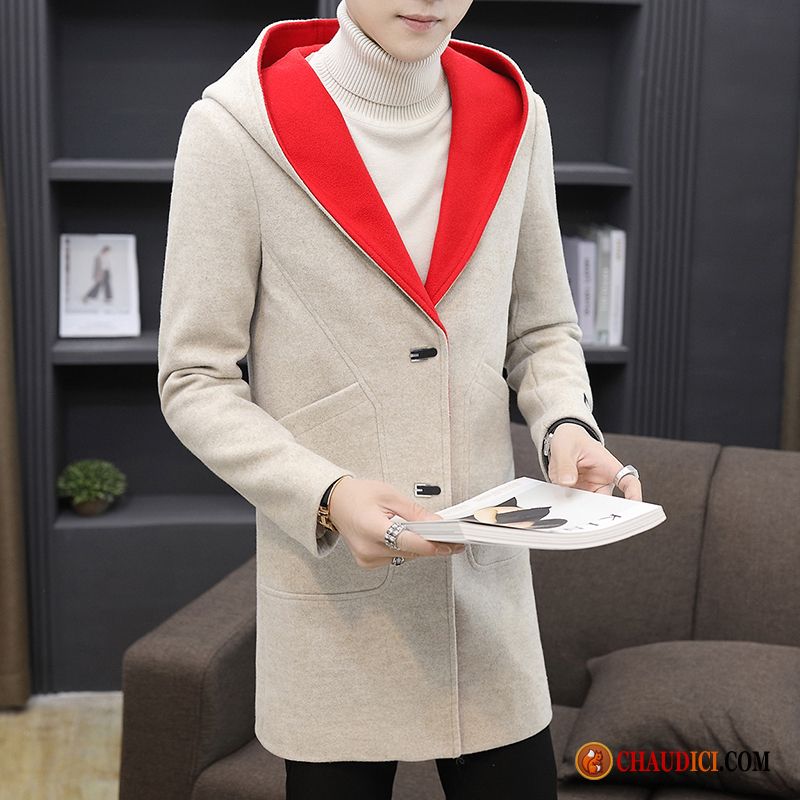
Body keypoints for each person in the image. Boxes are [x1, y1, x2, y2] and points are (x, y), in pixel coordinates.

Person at [156, 2, 643, 798]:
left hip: (484, 594)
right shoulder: (235, 129)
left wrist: (565, 425)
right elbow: (193, 379)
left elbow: (542, 329)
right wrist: (327, 494)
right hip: (336, 604)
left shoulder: (516, 116)